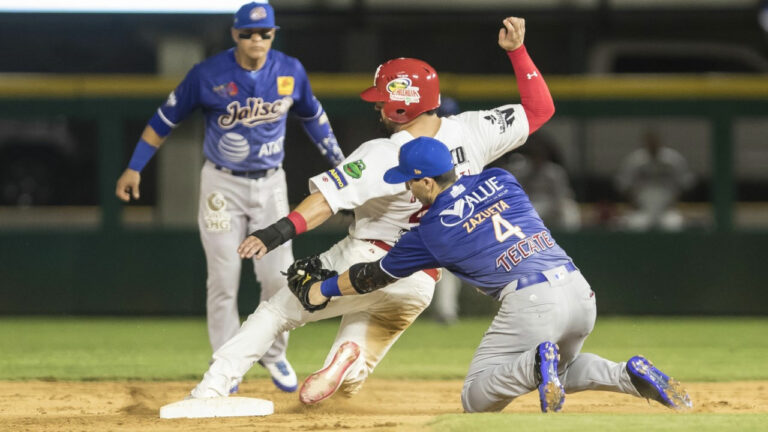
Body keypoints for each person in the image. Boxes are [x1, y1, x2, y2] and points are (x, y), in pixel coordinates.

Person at [187, 16, 555, 405]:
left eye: (383, 99)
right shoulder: (474, 129)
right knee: (348, 385)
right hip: (421, 279)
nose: (378, 105)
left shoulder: (383, 153)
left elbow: (324, 203)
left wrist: (275, 232)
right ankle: (349, 360)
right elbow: (540, 109)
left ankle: (210, 388)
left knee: (275, 312)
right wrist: (517, 52)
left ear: (401, 106)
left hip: (365, 258)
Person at [295, 136, 693, 413]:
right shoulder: (502, 179)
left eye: (411, 181)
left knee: (475, 398)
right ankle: (628, 374)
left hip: (532, 302)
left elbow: (371, 277)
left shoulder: (430, 232)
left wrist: (323, 288)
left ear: (427, 180)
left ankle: (537, 362)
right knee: (565, 369)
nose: (408, 191)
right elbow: (474, 199)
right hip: (578, 290)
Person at [115, 1, 344, 393]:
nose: (257, 39)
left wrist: (339, 163)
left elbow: (313, 116)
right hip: (222, 186)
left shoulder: (290, 70)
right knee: (224, 277)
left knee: (278, 275)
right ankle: (225, 364)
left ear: (274, 34)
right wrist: (135, 166)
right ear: (234, 34)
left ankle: (273, 353)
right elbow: (163, 120)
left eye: (265, 33)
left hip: (271, 183)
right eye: (248, 33)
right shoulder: (208, 74)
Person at [614, 130, 695, 231]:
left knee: (674, 225)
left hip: (668, 210)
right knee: (635, 226)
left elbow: (686, 184)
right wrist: (634, 204)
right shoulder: (635, 161)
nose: (652, 144)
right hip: (642, 209)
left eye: (654, 141)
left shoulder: (673, 160)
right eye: (649, 142)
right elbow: (623, 185)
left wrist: (675, 203)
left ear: (659, 142)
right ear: (645, 143)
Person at [505, 134, 581, 230]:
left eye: (539, 155)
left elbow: (562, 194)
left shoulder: (554, 171)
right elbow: (518, 193)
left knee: (569, 209)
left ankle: (571, 238)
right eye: (534, 156)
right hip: (532, 203)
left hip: (552, 203)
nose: (537, 159)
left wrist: (556, 205)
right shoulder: (523, 170)